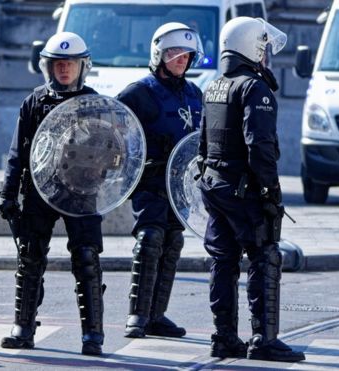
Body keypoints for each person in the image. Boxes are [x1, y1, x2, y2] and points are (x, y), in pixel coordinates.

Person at [197, 17, 304, 362]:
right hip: (243, 189)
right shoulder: (253, 89)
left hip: (215, 185)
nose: (266, 56)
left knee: (223, 261)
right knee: (264, 256)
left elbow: (202, 144)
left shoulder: (215, 86)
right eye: (263, 48)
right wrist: (271, 191)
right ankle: (264, 338)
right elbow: (260, 146)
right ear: (251, 48)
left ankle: (224, 336)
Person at [0, 32, 106, 356]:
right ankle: (23, 328)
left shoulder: (95, 103)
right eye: (58, 64)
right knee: (29, 259)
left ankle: (93, 335)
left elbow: (112, 151)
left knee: (87, 260)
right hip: (40, 192)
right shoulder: (33, 102)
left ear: (82, 66)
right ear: (48, 67)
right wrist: (7, 192)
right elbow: (18, 153)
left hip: (81, 194)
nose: (64, 70)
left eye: (70, 64)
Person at [115, 22, 203, 339]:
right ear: (159, 54)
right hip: (150, 180)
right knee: (150, 238)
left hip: (181, 186)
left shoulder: (195, 94)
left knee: (172, 241)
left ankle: (156, 315)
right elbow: (111, 129)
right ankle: (137, 316)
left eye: (186, 54)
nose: (181, 59)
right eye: (174, 53)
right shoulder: (139, 92)